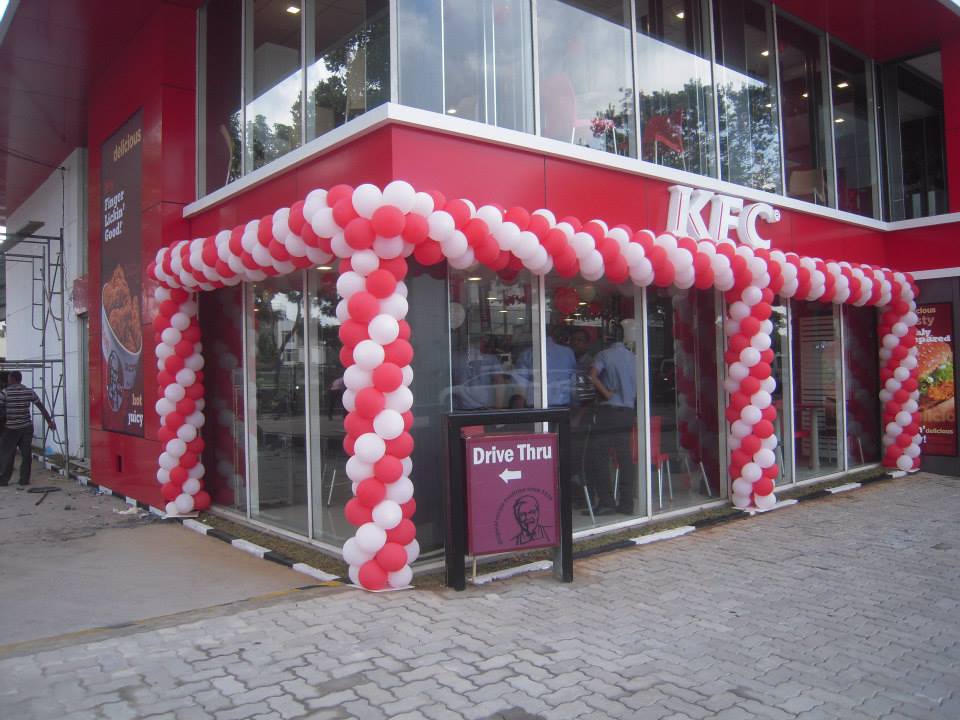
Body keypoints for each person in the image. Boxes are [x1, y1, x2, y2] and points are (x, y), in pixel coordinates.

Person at [587, 323, 637, 515]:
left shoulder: (604, 355)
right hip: (627, 412)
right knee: (625, 458)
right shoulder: (634, 358)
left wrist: (606, 393)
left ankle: (607, 501)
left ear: (607, 338)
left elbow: (592, 376)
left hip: (608, 412)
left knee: (600, 456)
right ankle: (626, 503)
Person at [0, 371, 56, 487]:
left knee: (8, 454)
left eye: (9, 379)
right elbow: (41, 407)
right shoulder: (29, 392)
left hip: (11, 428)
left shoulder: (5, 393)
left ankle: (4, 480)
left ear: (13, 379)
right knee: (26, 454)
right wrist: (49, 421)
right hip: (26, 427)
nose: (8, 381)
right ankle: (24, 480)